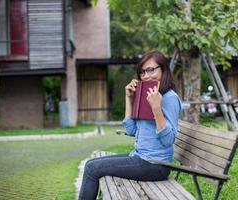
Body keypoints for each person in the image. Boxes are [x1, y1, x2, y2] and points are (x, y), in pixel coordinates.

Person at [78, 50, 183, 200]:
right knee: (91, 164)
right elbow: (131, 129)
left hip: (155, 165)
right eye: (142, 72)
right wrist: (129, 98)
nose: (146, 76)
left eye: (151, 70)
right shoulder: (146, 95)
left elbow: (168, 140)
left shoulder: (169, 98)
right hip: (140, 157)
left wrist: (156, 108)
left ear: (164, 70)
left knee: (91, 168)